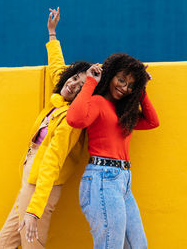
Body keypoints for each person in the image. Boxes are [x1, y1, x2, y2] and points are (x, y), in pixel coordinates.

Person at [0, 7, 90, 249]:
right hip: (29, 179)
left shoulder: (71, 119)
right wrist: (52, 33)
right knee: (4, 243)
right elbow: (58, 69)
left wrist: (35, 211)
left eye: (81, 86)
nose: (73, 85)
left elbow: (52, 162)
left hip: (41, 187)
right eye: (73, 79)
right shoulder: (58, 99)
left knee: (32, 245)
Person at [66, 53, 160, 248]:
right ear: (111, 75)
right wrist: (91, 82)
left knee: (138, 245)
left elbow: (152, 122)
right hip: (102, 180)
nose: (124, 88)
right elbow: (74, 119)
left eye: (130, 85)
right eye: (121, 80)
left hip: (123, 183)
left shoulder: (123, 113)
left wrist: (140, 90)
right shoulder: (98, 102)